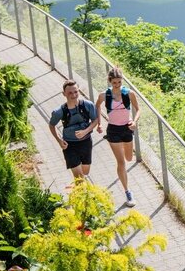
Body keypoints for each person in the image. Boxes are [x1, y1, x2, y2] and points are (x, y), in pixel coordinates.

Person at [96, 67, 139, 207]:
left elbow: (138, 109)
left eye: (119, 82)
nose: (117, 85)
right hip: (113, 130)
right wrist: (99, 124)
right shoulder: (104, 95)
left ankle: (121, 146)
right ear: (110, 81)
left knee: (129, 158)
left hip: (126, 129)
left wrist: (134, 121)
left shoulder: (129, 93)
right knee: (121, 162)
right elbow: (97, 106)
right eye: (114, 82)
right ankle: (127, 192)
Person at [48, 80, 97, 181]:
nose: (74, 95)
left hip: (86, 142)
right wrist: (59, 140)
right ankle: (81, 194)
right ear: (64, 94)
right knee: (79, 177)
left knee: (85, 172)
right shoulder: (59, 111)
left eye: (76, 92)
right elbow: (52, 125)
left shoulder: (88, 105)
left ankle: (79, 188)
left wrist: (85, 131)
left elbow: (95, 120)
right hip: (69, 145)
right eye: (70, 93)